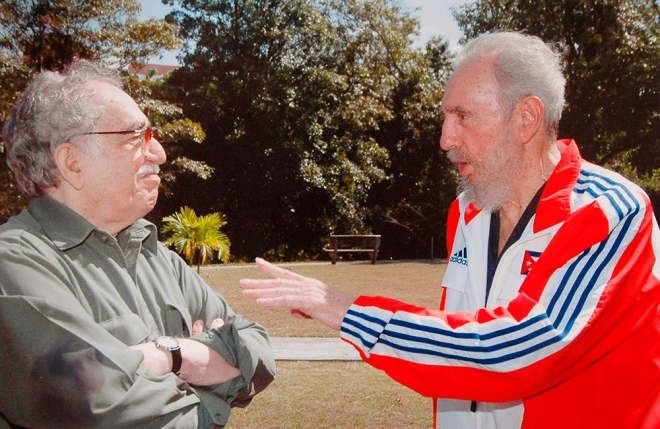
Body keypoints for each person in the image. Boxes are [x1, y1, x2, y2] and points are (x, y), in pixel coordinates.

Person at [241, 31, 660, 429]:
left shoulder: (611, 212)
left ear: (527, 118)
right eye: (446, 116)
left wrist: (345, 309)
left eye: (462, 116)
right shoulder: (467, 209)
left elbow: (517, 353)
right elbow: (463, 334)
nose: (445, 139)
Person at [0, 60, 275, 428]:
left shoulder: (155, 255)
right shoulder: (14, 263)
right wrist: (208, 381)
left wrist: (173, 356)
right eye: (136, 136)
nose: (159, 153)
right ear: (72, 162)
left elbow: (257, 348)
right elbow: (105, 412)